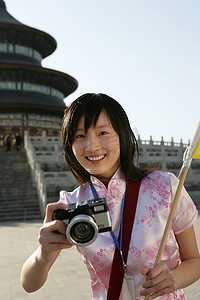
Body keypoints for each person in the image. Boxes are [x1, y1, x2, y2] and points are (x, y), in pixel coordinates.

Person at [21, 93, 200, 299]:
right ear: (70, 145)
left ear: (122, 135)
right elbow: (28, 284)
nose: (92, 146)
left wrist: (174, 278)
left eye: (103, 133)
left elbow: (194, 261)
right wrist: (43, 255)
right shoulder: (71, 205)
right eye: (80, 136)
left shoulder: (165, 188)